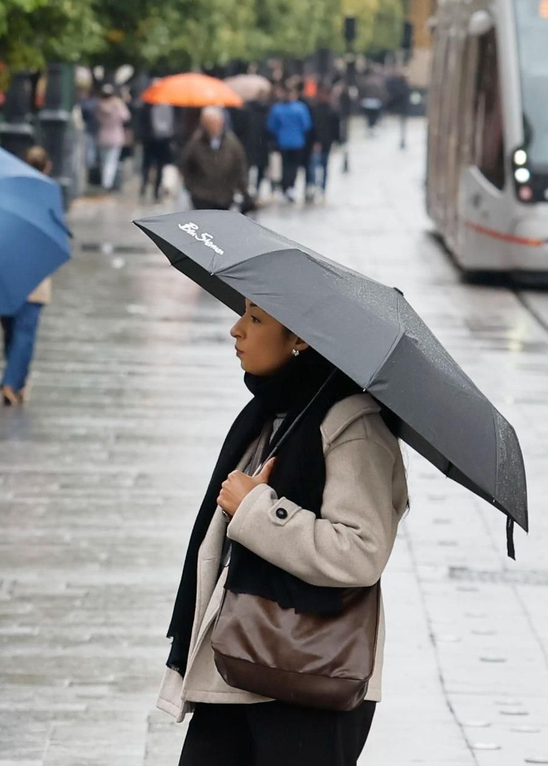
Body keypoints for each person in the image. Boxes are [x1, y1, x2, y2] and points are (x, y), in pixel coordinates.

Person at [159, 299, 408, 766]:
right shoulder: (275, 414)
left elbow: (361, 550)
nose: (237, 330)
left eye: (255, 319)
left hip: (310, 680)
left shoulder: (353, 425)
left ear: (300, 340)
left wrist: (255, 509)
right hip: (237, 666)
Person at [0, 146, 57, 407]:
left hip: (8, 274)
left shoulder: (10, 193)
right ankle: (13, 382)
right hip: (35, 274)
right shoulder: (48, 195)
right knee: (24, 331)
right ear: (47, 167)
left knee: (11, 329)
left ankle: (14, 380)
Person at [176, 107, 249, 212]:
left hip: (225, 196)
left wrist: (243, 191)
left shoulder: (231, 142)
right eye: (210, 123)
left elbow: (240, 166)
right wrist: (191, 187)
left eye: (217, 122)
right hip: (201, 196)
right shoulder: (196, 141)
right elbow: (185, 165)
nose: (215, 126)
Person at [266, 86, 313, 203]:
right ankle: (290, 186)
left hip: (283, 142)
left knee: (285, 166)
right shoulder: (300, 108)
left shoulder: (277, 109)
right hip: (298, 142)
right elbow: (307, 125)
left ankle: (285, 187)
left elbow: (271, 126)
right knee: (294, 167)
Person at [233, 92, 271, 201]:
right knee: (260, 168)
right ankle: (256, 189)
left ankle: (246, 190)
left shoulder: (245, 110)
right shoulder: (267, 110)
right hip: (262, 144)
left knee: (247, 167)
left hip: (248, 143)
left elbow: (239, 128)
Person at [307, 89, 343, 203]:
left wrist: (336, 140)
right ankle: (315, 187)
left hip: (325, 142)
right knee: (315, 166)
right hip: (318, 142)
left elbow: (336, 128)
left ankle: (320, 188)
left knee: (322, 166)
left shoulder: (331, 111)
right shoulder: (316, 110)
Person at [94, 84, 132, 192]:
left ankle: (105, 182)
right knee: (112, 161)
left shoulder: (99, 105)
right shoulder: (117, 104)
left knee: (104, 161)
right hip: (115, 135)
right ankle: (108, 183)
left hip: (103, 135)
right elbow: (126, 117)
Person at [141, 103, 177, 201]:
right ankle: (145, 187)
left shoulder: (169, 107)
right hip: (152, 139)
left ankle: (155, 190)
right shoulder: (149, 107)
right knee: (149, 165)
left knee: (158, 166)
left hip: (161, 140)